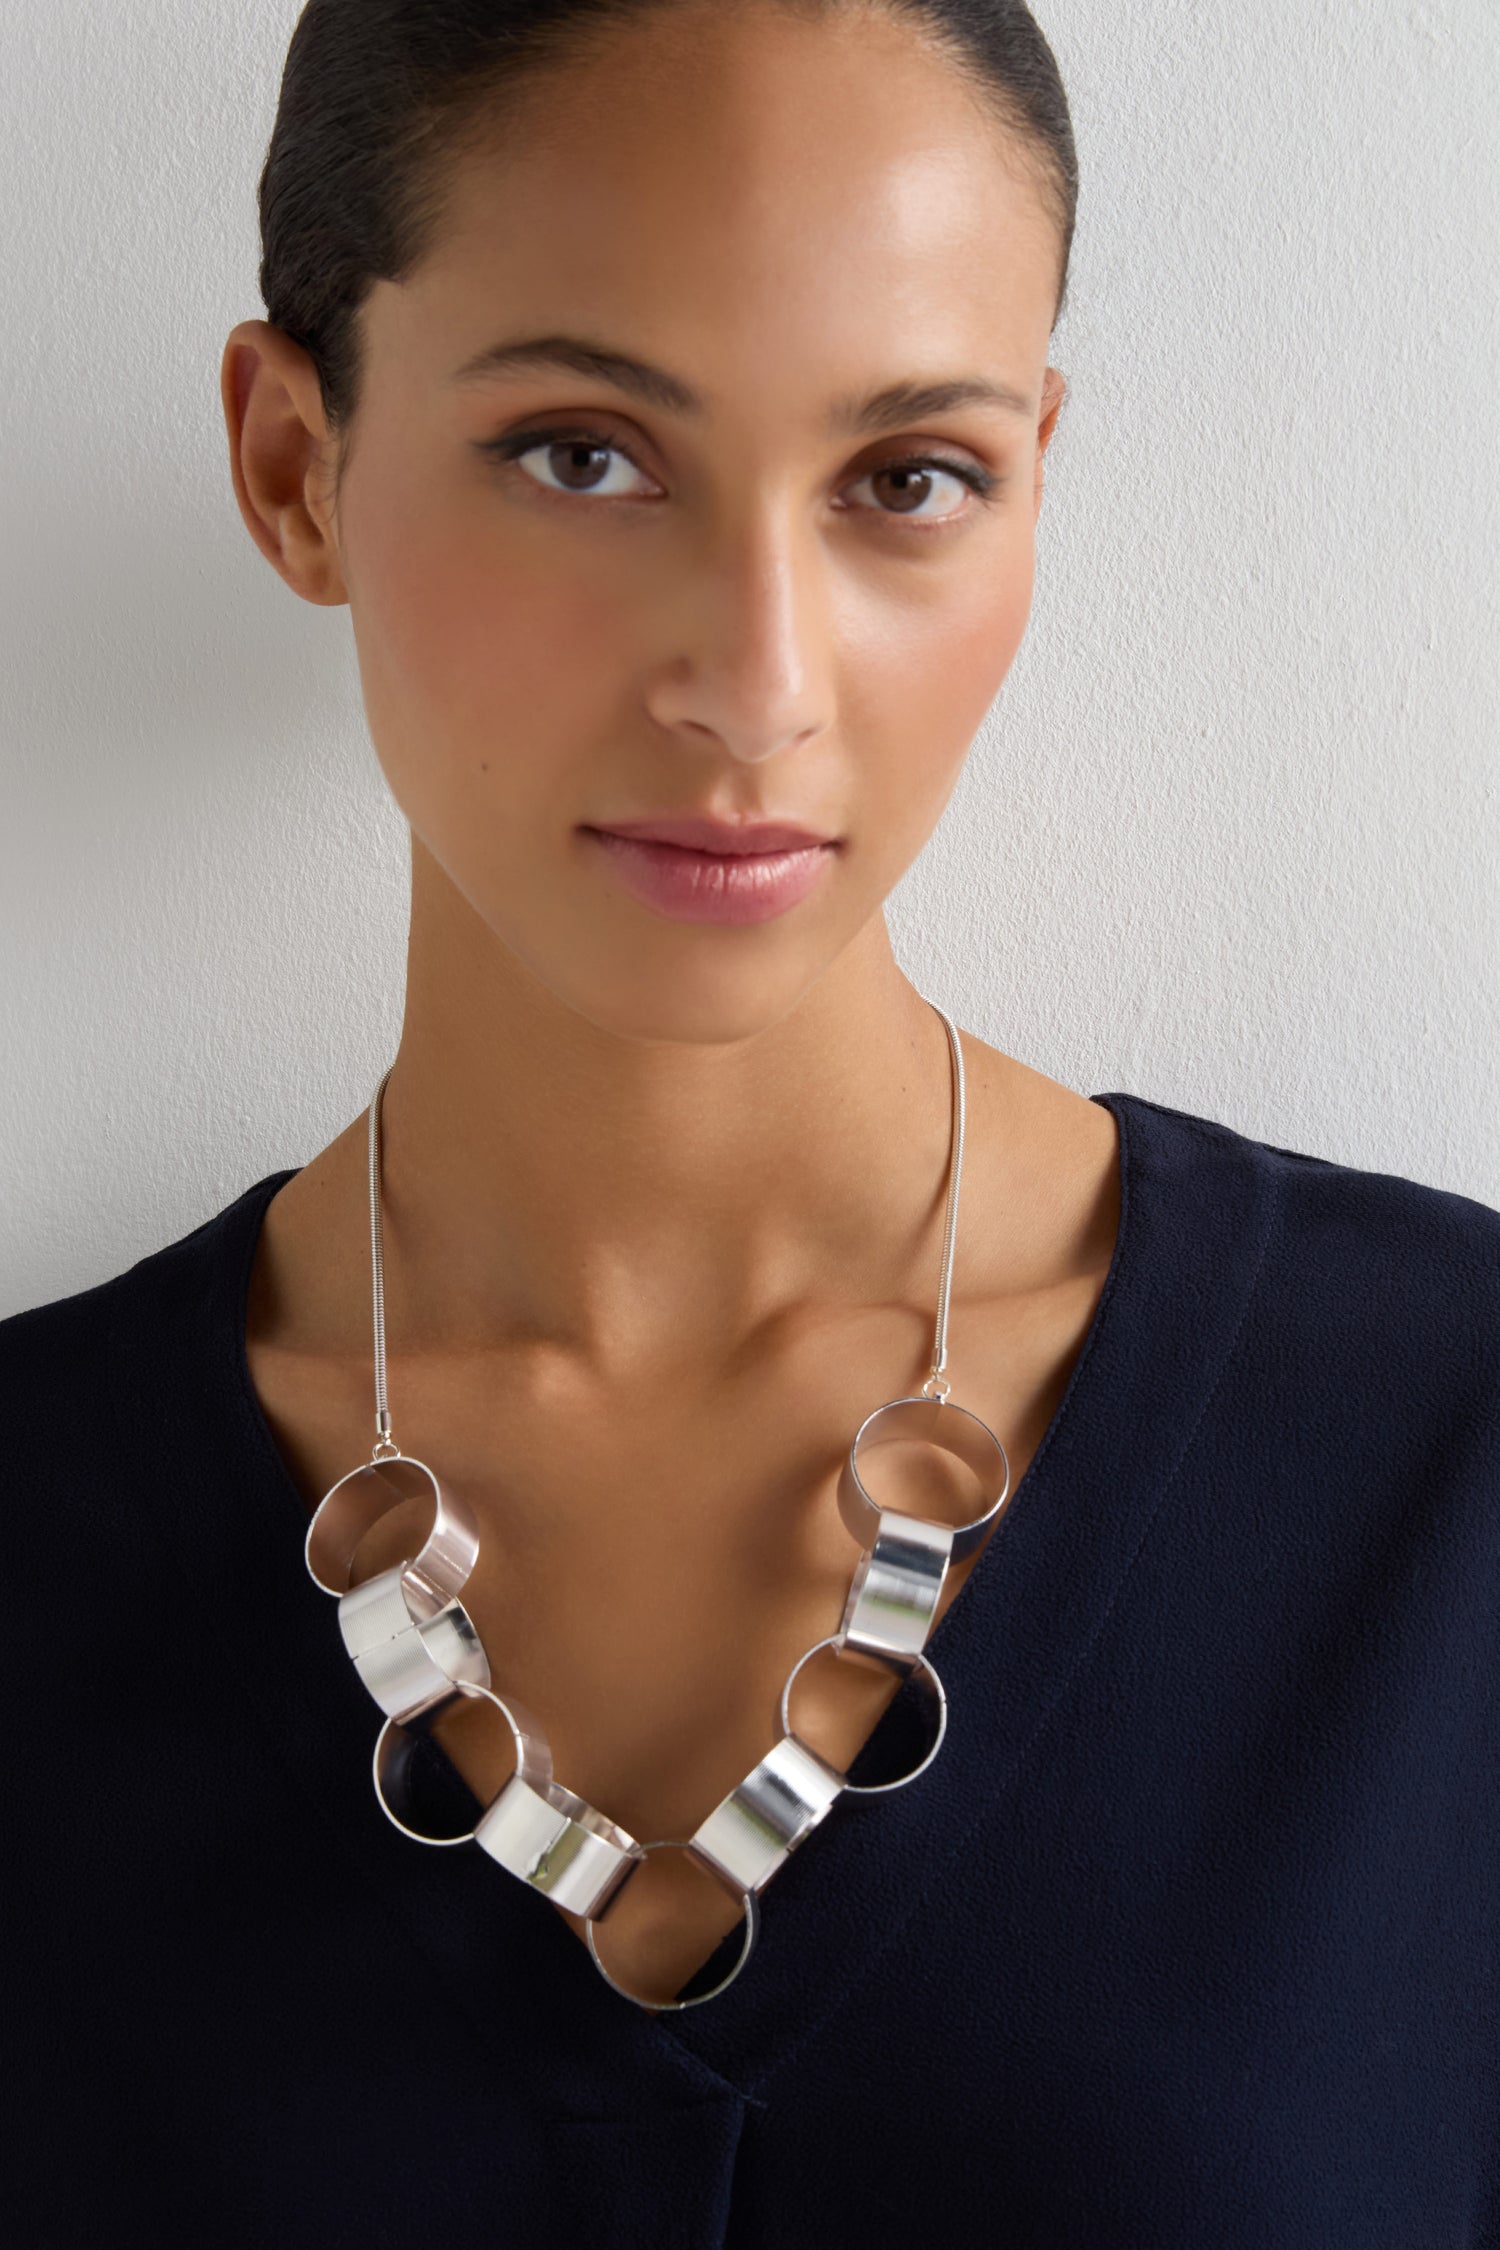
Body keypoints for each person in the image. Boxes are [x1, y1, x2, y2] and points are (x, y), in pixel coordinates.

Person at [6, 1, 1497, 2242]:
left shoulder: (1445, 1452)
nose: (760, 683)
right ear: (297, 467)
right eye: (582, 454)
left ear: (1033, 478)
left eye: (909, 478)